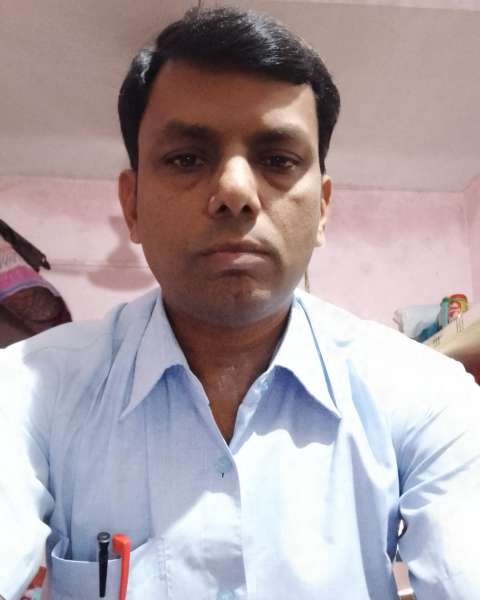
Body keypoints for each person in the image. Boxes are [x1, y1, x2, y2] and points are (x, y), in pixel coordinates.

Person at [1, 6, 479, 600]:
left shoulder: (429, 395)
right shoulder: (26, 390)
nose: (234, 191)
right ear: (132, 205)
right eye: (186, 158)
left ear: (322, 208)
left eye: (278, 160)